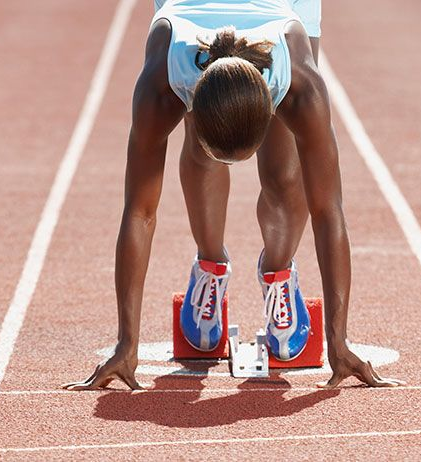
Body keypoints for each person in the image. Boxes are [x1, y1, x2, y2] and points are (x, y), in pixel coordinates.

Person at [63, 0, 402, 390]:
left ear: (273, 99)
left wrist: (338, 342)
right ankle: (210, 266)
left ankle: (280, 272)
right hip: (190, 16)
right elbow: (139, 210)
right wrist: (127, 343)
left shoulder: (300, 86)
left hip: (280, 8)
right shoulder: (163, 80)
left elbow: (328, 209)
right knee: (203, 155)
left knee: (286, 167)